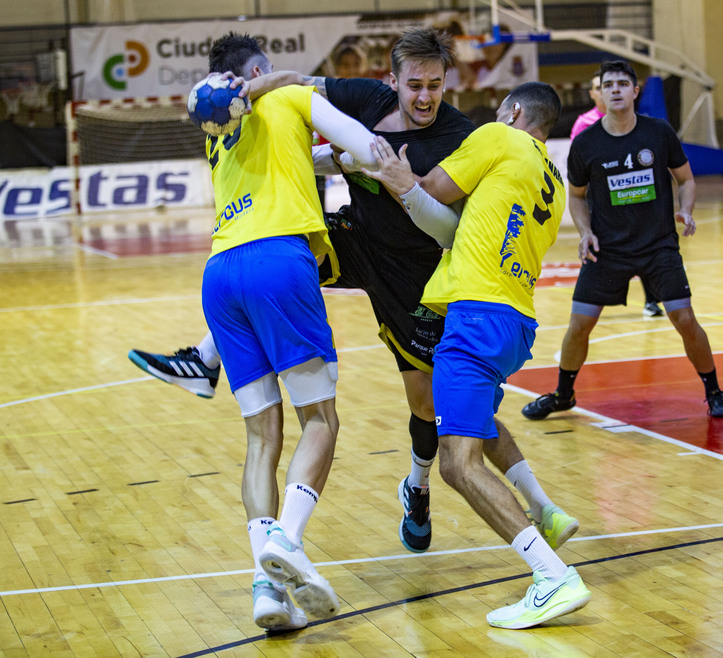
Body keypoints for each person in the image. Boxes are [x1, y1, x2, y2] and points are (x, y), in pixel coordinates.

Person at [128, 29, 578, 559]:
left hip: (418, 275)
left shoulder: (462, 135)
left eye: (435, 85)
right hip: (359, 240)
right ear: (393, 80)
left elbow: (452, 230)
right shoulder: (367, 99)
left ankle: (423, 487)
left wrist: (392, 178)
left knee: (431, 404)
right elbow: (295, 85)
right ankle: (204, 357)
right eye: (415, 85)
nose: (425, 96)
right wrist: (250, 99)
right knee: (291, 263)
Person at [367, 81, 591, 630]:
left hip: (476, 316)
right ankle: (542, 507)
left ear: (513, 112)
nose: (493, 116)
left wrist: (394, 176)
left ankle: (551, 575)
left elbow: (433, 188)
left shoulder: (497, 137)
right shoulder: (553, 179)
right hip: (515, 320)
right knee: (480, 427)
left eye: (499, 110)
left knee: (455, 463)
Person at [192, 32, 383, 633]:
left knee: (260, 440)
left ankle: (266, 591)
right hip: (280, 262)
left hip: (220, 276)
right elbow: (366, 149)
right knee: (321, 421)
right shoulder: (295, 98)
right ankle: (290, 542)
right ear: (255, 70)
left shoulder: (216, 133)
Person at [521, 60, 723, 421]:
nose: (616, 89)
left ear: (635, 91)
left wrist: (686, 210)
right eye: (609, 84)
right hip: (608, 250)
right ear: (600, 93)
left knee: (684, 317)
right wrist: (586, 232)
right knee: (579, 324)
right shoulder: (586, 144)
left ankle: (713, 391)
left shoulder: (658, 133)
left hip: (658, 246)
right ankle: (563, 394)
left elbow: (687, 179)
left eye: (623, 83)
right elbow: (575, 196)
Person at [572, 71, 663, 318]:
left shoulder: (633, 121)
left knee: (644, 238)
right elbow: (578, 162)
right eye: (600, 87)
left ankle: (651, 300)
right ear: (594, 93)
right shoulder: (584, 123)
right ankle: (592, 296)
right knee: (600, 242)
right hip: (599, 197)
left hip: (628, 192)